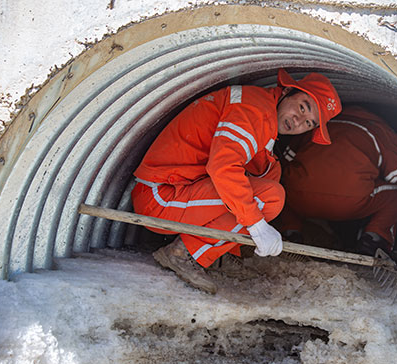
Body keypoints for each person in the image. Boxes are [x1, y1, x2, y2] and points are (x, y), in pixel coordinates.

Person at [131, 68, 342, 294]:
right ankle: (183, 253)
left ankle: (223, 254)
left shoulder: (263, 114)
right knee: (270, 197)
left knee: (270, 175)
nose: (299, 122)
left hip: (183, 191)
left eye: (309, 124)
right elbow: (222, 166)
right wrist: (257, 225)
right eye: (302, 107)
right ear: (288, 90)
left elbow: (254, 171)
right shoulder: (256, 110)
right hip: (160, 196)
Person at [278, 105, 397, 264]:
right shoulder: (378, 133)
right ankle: (373, 241)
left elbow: (283, 163)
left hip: (299, 198)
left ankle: (290, 232)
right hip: (350, 200)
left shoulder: (316, 125)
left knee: (283, 185)